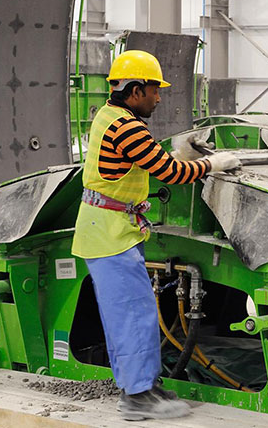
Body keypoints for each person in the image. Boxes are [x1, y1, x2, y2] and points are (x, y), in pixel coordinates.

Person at [71, 49, 240, 421]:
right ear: (134, 91)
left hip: (108, 229)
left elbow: (149, 157)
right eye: (153, 90)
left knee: (127, 314)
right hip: (109, 233)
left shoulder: (110, 116)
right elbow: (170, 172)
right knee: (133, 314)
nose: (159, 97)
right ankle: (136, 398)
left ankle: (140, 386)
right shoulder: (126, 126)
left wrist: (184, 151)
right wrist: (213, 163)